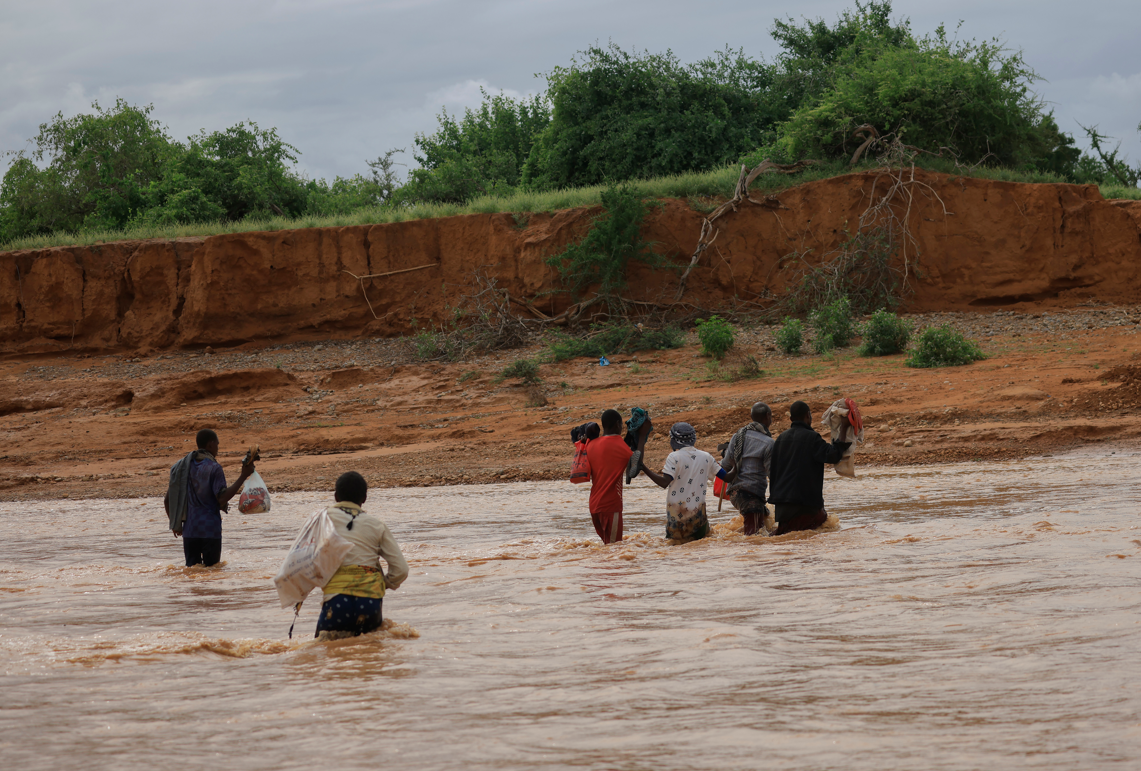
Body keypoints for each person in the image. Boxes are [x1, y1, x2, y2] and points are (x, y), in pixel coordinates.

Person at [316, 471, 409, 638]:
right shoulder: (377, 525)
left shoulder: (320, 520)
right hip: (370, 600)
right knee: (370, 653)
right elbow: (401, 570)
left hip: (336, 600)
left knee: (328, 653)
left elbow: (301, 561)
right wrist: (384, 583)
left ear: (336, 497)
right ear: (364, 498)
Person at [164, 428, 254, 567]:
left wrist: (175, 524)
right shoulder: (214, 468)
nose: (217, 448)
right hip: (210, 531)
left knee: (193, 574)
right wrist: (243, 475)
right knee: (213, 573)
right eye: (217, 444)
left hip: (190, 531)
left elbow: (167, 500)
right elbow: (222, 498)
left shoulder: (182, 468)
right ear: (210, 444)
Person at [768, 401, 851, 535]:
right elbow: (834, 455)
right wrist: (844, 428)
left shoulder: (780, 439)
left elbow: (772, 471)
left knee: (786, 536)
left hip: (781, 507)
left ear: (791, 419)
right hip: (804, 505)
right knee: (822, 528)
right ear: (808, 415)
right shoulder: (812, 438)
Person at [641, 422, 731, 543]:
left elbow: (664, 482)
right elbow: (727, 477)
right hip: (700, 519)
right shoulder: (706, 457)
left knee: (676, 550)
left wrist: (643, 467)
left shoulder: (674, 457)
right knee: (700, 549)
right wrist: (734, 460)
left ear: (674, 440)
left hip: (677, 520)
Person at [720, 402, 775, 535]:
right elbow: (773, 475)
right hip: (752, 496)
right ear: (767, 416)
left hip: (735, 494)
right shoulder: (768, 443)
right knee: (754, 538)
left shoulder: (738, 436)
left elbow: (725, 466)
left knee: (760, 530)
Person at [585, 409, 633, 544]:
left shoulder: (591, 445)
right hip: (611, 506)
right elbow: (634, 467)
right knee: (614, 549)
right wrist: (641, 438)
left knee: (607, 547)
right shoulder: (621, 446)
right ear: (618, 424)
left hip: (594, 505)